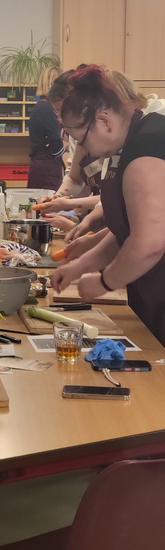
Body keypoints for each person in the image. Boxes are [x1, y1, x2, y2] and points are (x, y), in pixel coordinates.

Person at [52, 65, 165, 347]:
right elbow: (125, 231)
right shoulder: (129, 145)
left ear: (104, 121)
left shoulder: (147, 148)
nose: (84, 151)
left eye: (81, 140)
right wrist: (79, 267)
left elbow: (149, 242)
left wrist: (105, 282)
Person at [27, 66, 65, 191]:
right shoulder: (47, 108)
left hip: (41, 164)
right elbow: (55, 139)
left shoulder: (40, 107)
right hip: (47, 166)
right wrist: (66, 148)